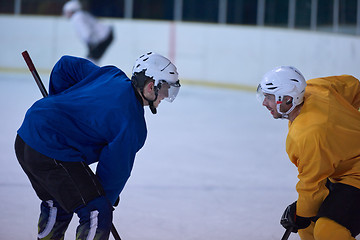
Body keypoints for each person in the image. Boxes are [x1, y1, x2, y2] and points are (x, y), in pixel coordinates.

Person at [15, 51, 181, 240]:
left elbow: (65, 66)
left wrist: (59, 103)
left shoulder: (111, 75)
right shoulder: (132, 125)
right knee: (97, 213)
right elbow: (113, 175)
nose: (166, 95)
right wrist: (103, 198)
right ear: (151, 86)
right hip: (53, 151)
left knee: (59, 200)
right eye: (165, 88)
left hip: (26, 135)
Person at [256, 66, 360, 240]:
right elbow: (353, 86)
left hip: (355, 175)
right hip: (343, 170)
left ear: (287, 99)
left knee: (328, 233)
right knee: (308, 227)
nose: (264, 103)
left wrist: (301, 214)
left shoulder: (307, 135)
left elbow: (312, 183)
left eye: (269, 97)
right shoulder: (316, 88)